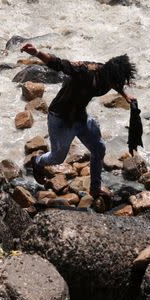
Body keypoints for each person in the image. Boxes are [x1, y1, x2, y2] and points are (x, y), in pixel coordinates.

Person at [20, 42, 136, 199]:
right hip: (60, 118)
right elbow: (60, 64)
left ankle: (95, 188)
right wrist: (36, 53)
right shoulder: (85, 71)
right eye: (117, 82)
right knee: (58, 157)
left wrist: (125, 95)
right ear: (109, 75)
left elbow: (117, 84)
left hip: (79, 117)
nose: (118, 85)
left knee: (99, 148)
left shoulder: (112, 77)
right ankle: (38, 160)